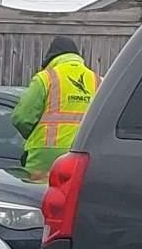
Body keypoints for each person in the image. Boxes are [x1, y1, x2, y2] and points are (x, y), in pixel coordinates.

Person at [11, 35, 102, 181]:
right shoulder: (98, 81)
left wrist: (34, 135)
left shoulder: (45, 78)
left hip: (44, 158)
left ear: (51, 58)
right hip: (82, 156)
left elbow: (21, 118)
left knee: (35, 199)